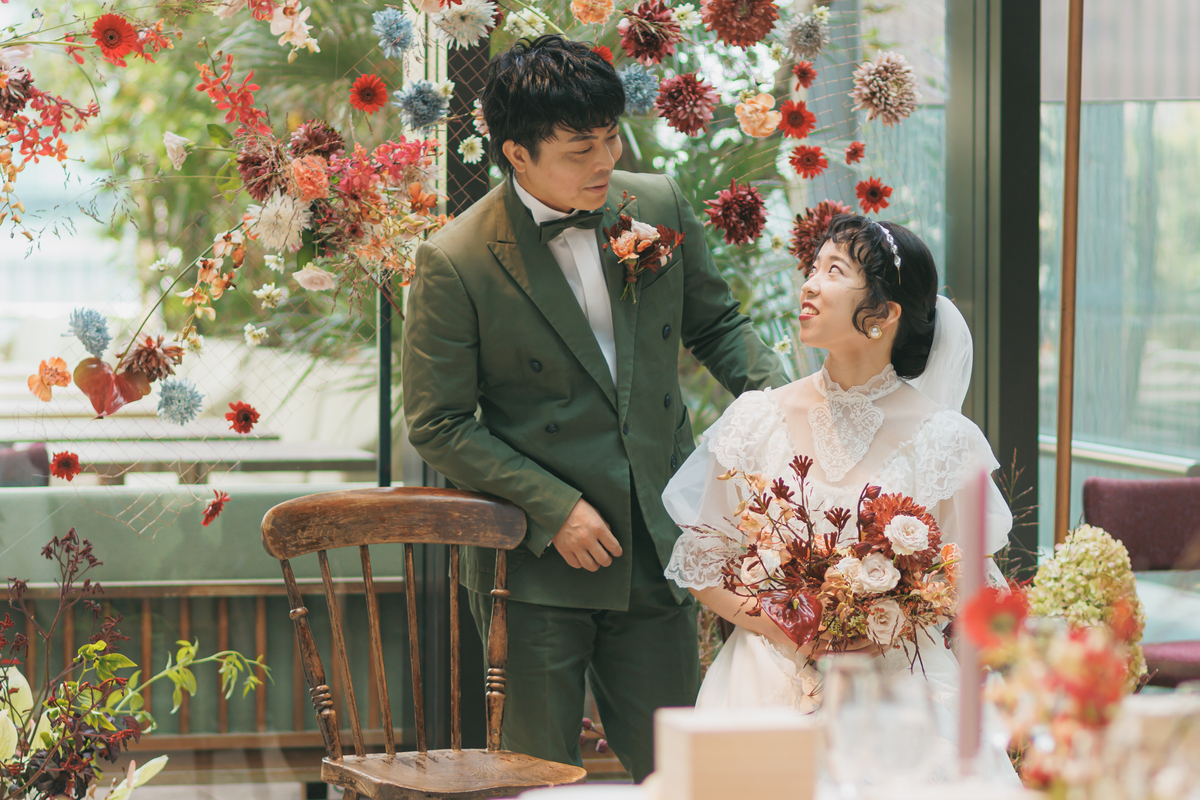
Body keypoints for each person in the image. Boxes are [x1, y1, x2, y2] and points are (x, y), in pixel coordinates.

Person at [401, 35, 788, 780]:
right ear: (517, 154)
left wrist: (792, 407)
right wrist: (555, 509)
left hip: (659, 533)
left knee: (680, 771)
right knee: (537, 775)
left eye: (610, 138)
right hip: (535, 563)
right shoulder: (455, 259)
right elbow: (437, 423)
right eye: (580, 150)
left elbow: (718, 326)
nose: (605, 161)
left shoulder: (656, 204)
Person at [662, 214, 1018, 781]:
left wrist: (890, 620)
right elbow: (703, 565)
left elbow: (972, 587)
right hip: (765, 686)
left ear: (884, 313)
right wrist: (787, 626)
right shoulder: (756, 419)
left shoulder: (948, 440)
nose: (808, 284)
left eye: (834, 270)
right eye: (812, 267)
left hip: (901, 699)